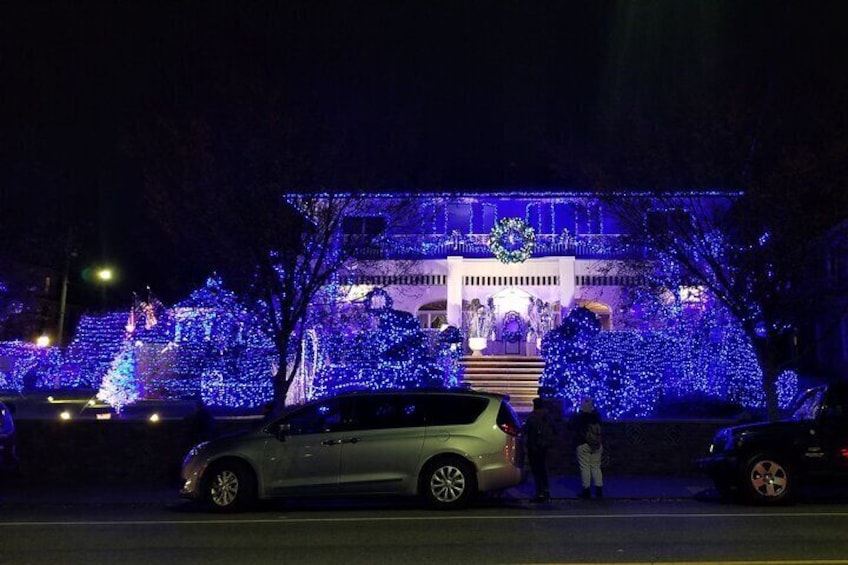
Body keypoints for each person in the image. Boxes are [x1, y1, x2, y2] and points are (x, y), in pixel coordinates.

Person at [522, 397, 555, 502]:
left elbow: (525, 431)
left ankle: (539, 492)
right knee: (543, 470)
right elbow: (555, 430)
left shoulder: (532, 418)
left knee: (537, 471)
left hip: (533, 447)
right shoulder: (548, 417)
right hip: (544, 447)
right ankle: (545, 492)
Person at [571, 396, 603, 499]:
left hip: (583, 443)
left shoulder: (579, 417)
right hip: (597, 444)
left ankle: (586, 491)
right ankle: (599, 491)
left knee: (585, 467)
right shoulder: (596, 416)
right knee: (596, 467)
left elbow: (570, 426)